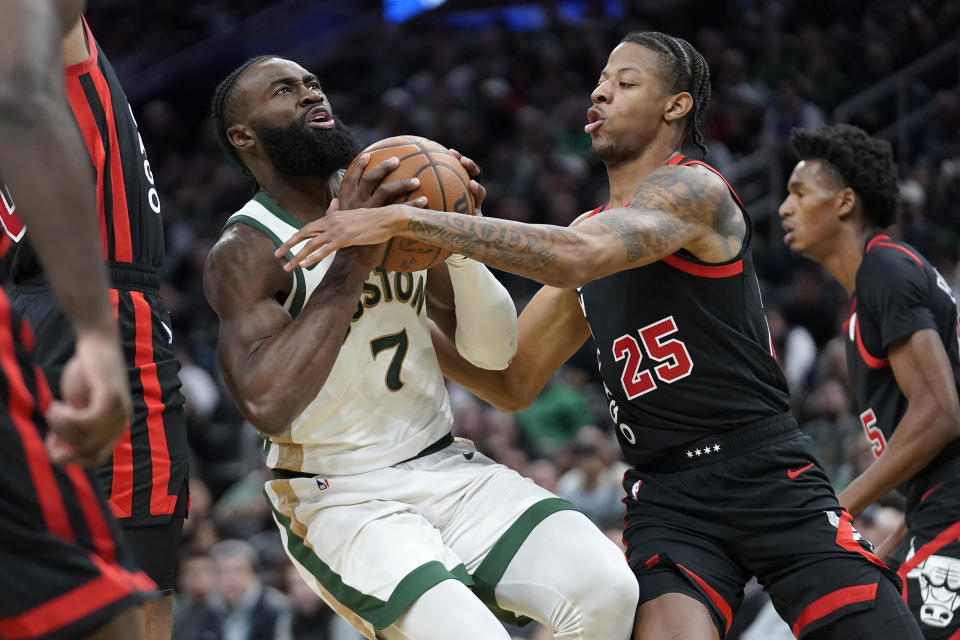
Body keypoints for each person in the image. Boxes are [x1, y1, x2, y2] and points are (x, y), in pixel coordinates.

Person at [277, 32, 924, 640]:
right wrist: (404, 312)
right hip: (668, 496)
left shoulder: (692, 190)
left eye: (625, 81)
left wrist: (411, 219)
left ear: (677, 104)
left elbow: (578, 256)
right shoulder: (592, 229)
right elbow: (510, 382)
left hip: (762, 466)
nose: (599, 92)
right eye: (599, 81)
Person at [202, 55, 638, 640]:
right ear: (243, 135)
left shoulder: (393, 190)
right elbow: (266, 402)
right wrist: (355, 251)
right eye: (285, 91)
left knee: (609, 591)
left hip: (443, 462)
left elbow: (490, 352)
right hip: (341, 495)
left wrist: (459, 234)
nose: (310, 94)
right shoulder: (247, 247)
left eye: (312, 83)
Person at [0, 11, 190, 640]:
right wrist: (96, 335)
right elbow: (21, 102)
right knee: (131, 601)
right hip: (92, 303)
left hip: (36, 314)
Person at [778, 123, 960, 638]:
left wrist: (840, 507)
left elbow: (942, 414)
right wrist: (897, 540)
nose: (783, 209)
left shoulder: (885, 268)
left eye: (799, 193)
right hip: (934, 509)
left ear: (844, 203)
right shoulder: (871, 289)